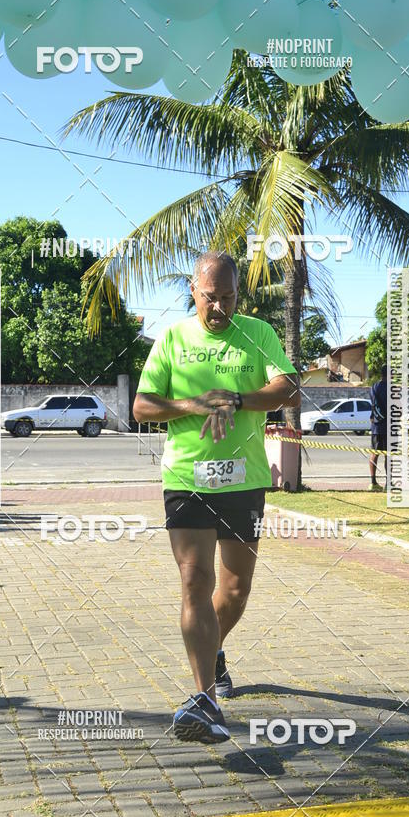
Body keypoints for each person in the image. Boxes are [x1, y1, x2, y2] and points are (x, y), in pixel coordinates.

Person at [133, 252, 298, 743]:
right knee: (194, 581)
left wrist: (239, 399)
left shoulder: (258, 333)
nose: (219, 308)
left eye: (228, 298)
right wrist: (196, 404)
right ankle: (203, 698)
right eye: (211, 297)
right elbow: (141, 407)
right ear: (193, 290)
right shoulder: (173, 337)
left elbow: (287, 389)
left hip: (243, 479)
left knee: (234, 591)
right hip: (186, 477)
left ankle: (213, 650)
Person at [369, 364, 388, 490]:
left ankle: (373, 482)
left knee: (374, 454)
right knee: (389, 455)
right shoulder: (391, 388)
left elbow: (373, 404)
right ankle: (389, 483)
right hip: (388, 425)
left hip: (375, 424)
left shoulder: (374, 386)